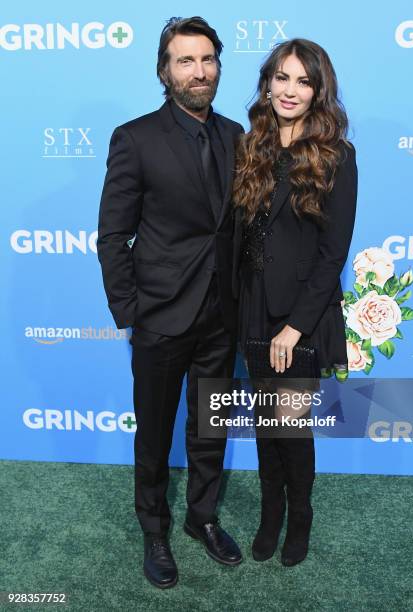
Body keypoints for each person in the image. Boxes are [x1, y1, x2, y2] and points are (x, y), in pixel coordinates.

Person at [97, 16, 244, 589]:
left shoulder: (238, 136)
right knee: (154, 432)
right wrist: (131, 308)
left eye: (207, 59)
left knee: (211, 427)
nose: (198, 71)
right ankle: (153, 528)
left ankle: (201, 519)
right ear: (165, 70)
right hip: (160, 315)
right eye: (185, 60)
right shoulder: (134, 138)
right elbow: (113, 235)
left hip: (221, 315)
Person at [232, 38, 358, 566]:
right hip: (251, 305)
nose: (290, 90)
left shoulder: (337, 156)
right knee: (265, 421)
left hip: (301, 314)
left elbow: (334, 254)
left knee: (289, 421)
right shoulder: (249, 145)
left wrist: (296, 327)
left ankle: (299, 514)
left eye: (303, 81)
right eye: (282, 77)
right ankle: (270, 512)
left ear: (318, 91)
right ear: (267, 82)